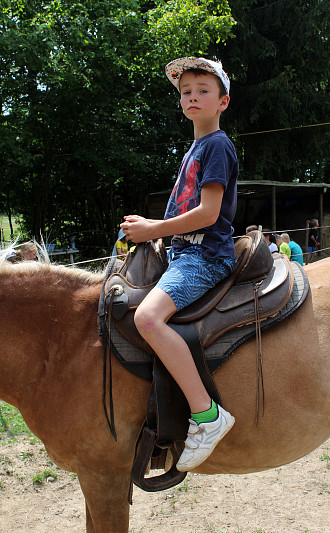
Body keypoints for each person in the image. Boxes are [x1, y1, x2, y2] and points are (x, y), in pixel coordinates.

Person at [121, 57, 237, 472]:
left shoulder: (217, 145)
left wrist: (155, 229)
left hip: (204, 256)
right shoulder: (195, 147)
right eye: (186, 91)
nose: (192, 97)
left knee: (149, 319)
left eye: (203, 90)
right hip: (183, 251)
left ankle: (207, 415)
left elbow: (208, 213)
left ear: (222, 101)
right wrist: (152, 229)